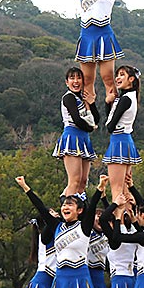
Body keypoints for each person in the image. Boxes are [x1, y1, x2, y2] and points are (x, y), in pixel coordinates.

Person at [47, 0, 129, 104]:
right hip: (86, 37)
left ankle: (112, 110)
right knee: (87, 81)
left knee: (107, 78)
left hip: (104, 36)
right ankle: (89, 115)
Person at [54, 67, 101, 196]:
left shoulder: (83, 98)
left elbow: (96, 119)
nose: (76, 81)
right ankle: (66, 208)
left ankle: (77, 209)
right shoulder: (68, 98)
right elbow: (77, 119)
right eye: (72, 78)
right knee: (74, 181)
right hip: (72, 137)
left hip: (84, 139)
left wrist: (91, 103)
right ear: (66, 82)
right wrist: (90, 128)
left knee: (83, 182)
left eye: (79, 78)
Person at [103, 65, 142, 211]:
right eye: (117, 75)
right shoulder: (129, 97)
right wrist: (109, 103)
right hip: (125, 140)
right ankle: (128, 222)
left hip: (118, 141)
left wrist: (110, 103)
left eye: (122, 75)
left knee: (117, 189)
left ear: (131, 79)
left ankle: (118, 224)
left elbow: (110, 125)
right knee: (125, 189)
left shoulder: (125, 99)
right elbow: (111, 119)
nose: (118, 78)